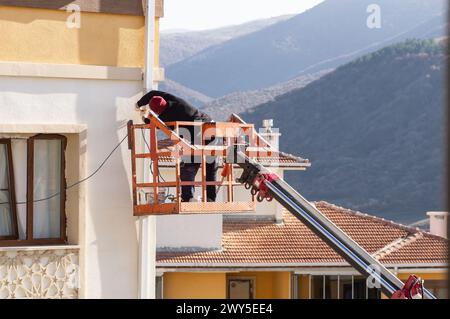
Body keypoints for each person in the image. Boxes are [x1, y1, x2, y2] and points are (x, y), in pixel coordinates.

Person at [136, 90, 218, 202]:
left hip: (201, 135)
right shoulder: (172, 99)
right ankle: (210, 198)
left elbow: (155, 124)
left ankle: (187, 197)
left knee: (188, 166)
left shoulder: (168, 116)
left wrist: (143, 117)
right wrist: (139, 103)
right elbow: (153, 93)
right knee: (211, 166)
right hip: (212, 126)